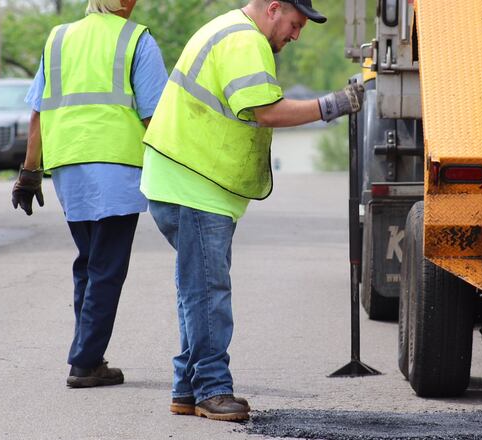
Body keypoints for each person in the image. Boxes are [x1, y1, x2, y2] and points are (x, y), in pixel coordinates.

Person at [141, 0, 364, 422]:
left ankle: (187, 389)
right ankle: (211, 389)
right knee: (207, 292)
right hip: (193, 184)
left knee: (198, 291)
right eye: (295, 25)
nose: (296, 36)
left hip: (185, 180)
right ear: (274, 8)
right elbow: (266, 112)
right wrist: (331, 105)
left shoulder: (229, 30)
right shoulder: (245, 41)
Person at [12, 0, 167, 388]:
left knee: (89, 262)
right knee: (107, 267)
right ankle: (83, 363)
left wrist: (29, 173)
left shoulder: (58, 38)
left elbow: (38, 112)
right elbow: (156, 117)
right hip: (115, 164)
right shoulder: (137, 39)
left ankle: (91, 355)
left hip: (69, 166)